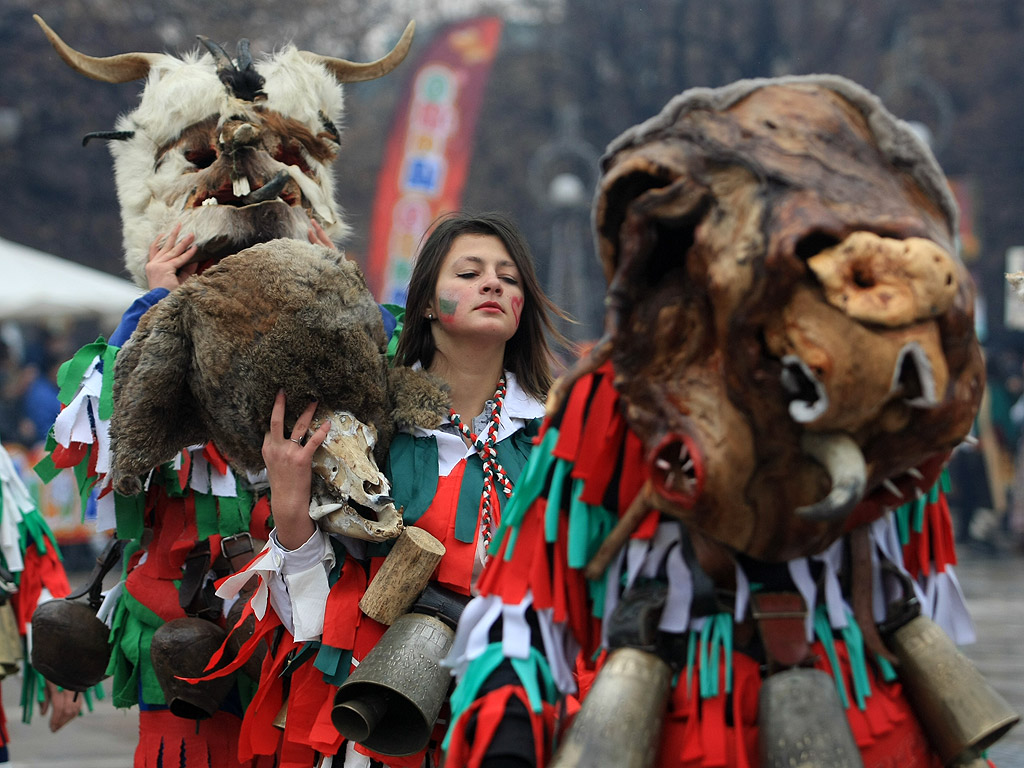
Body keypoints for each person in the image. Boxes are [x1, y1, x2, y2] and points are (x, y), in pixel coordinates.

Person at [221, 212, 571, 767]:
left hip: (517, 723)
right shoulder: (366, 427)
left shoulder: (562, 434)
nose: (493, 285)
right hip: (378, 723)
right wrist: (289, 504)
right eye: (470, 272)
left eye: (509, 278)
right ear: (428, 304)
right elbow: (309, 620)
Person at [34, 224, 275, 768]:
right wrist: (158, 300)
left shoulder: (290, 374)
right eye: (200, 273)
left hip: (279, 624)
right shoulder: (155, 374)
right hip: (168, 627)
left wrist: (326, 274)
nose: (217, 292)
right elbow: (101, 425)